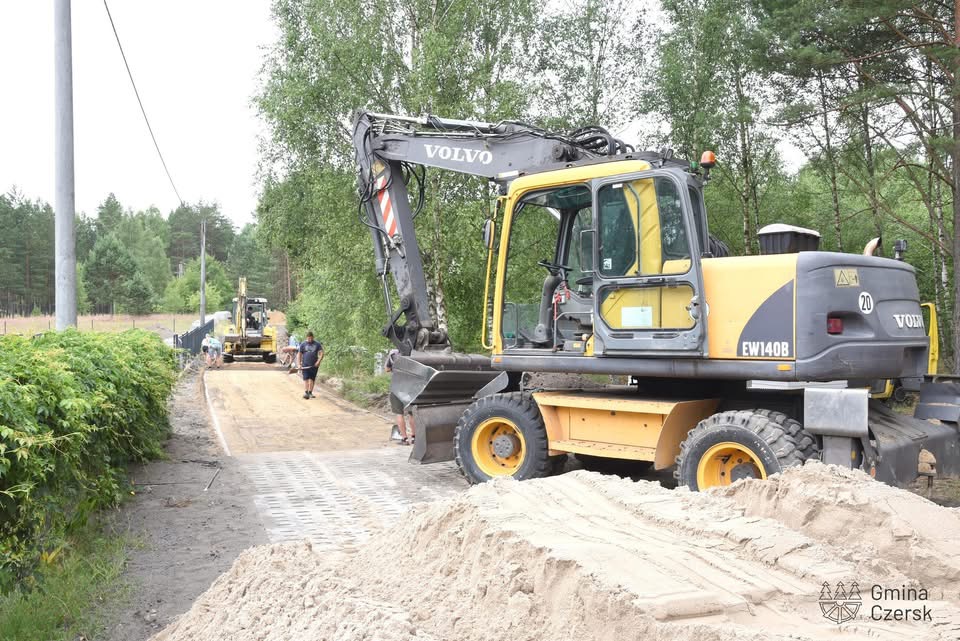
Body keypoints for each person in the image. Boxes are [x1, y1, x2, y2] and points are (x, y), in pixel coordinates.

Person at [385, 348, 415, 445]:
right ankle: (415, 437)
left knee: (399, 414)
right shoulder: (413, 352)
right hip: (410, 387)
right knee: (411, 413)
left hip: (397, 386)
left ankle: (405, 438)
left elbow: (387, 369)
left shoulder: (393, 353)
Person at [297, 331, 324, 399]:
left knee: (312, 379)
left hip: (314, 365)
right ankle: (306, 393)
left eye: (311, 338)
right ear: (307, 337)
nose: (310, 340)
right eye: (309, 338)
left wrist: (318, 362)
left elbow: (321, 353)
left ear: (313, 337)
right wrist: (299, 364)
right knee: (306, 379)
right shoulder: (303, 344)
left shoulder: (317, 344)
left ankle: (310, 393)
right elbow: (299, 354)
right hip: (305, 364)